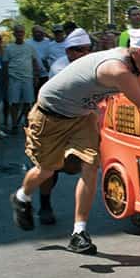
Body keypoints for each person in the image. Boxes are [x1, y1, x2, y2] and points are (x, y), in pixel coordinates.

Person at [10, 27, 140, 254]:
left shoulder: (135, 64)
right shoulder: (118, 70)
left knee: (90, 167)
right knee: (48, 169)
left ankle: (79, 233)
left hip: (81, 116)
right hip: (50, 115)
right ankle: (22, 196)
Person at [37, 28, 94, 224]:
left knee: (86, 164)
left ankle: (80, 222)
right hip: (54, 122)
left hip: (80, 121)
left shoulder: (91, 65)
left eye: (88, 50)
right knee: (49, 169)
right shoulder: (60, 67)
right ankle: (44, 205)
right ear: (69, 51)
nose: (84, 54)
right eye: (79, 50)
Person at [2, 25, 42, 132]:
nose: (19, 34)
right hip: (14, 79)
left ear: (24, 34)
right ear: (14, 34)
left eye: (21, 32)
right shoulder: (9, 48)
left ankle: (27, 122)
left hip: (27, 78)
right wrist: (5, 80)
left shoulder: (29, 47)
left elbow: (34, 62)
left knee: (28, 103)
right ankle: (14, 124)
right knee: (14, 103)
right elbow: (5, 64)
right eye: (17, 32)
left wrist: (36, 76)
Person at [27, 25, 52, 92]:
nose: (38, 33)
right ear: (32, 33)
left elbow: (59, 41)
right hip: (33, 75)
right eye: (36, 32)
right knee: (35, 95)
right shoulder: (27, 43)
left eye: (40, 32)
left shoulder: (49, 41)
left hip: (47, 74)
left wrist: (48, 35)